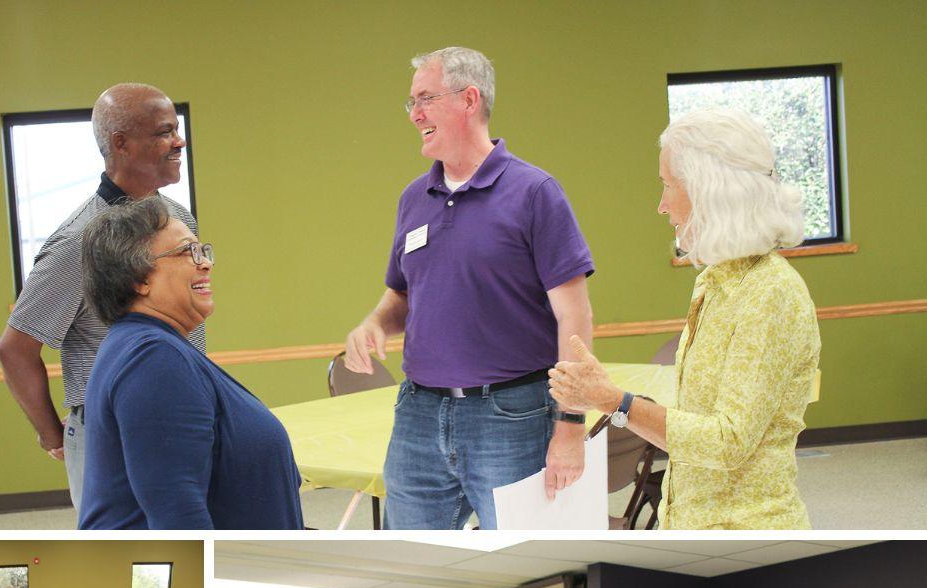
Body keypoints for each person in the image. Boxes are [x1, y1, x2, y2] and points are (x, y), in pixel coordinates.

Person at [343, 46, 594, 529]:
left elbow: (575, 318)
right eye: (411, 103)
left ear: (469, 99)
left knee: (522, 560)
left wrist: (570, 426)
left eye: (425, 99)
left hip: (512, 415)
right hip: (418, 413)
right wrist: (374, 322)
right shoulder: (414, 198)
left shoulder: (535, 193)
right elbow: (402, 294)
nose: (415, 114)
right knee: (413, 560)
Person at [549, 108, 820, 530]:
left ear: (710, 191)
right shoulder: (715, 281)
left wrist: (614, 401)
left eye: (668, 186)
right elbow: (693, 425)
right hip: (693, 522)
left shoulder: (770, 293)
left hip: (744, 532)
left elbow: (728, 442)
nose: (661, 206)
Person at [0, 82, 203, 510]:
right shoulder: (81, 242)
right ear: (121, 143)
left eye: (177, 129)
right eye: (165, 131)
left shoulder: (180, 220)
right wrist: (54, 435)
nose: (179, 141)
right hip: (111, 430)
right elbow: (15, 349)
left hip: (182, 413)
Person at [76, 196, 303, 529]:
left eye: (203, 251)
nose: (206, 263)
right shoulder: (152, 359)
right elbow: (176, 513)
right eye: (186, 252)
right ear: (138, 277)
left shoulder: (148, 345)